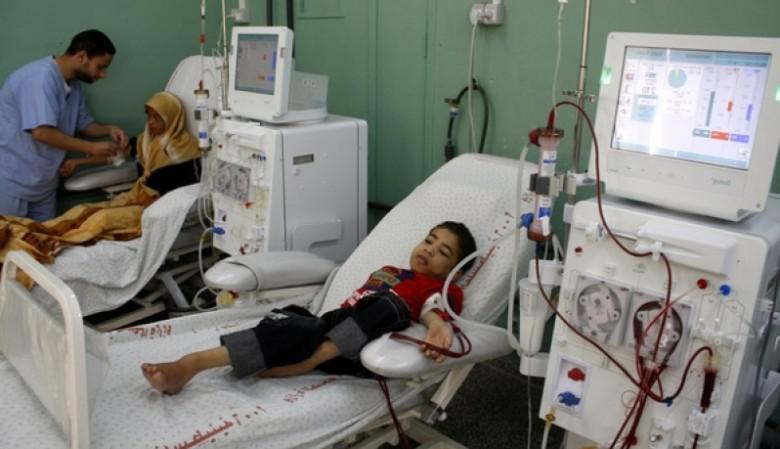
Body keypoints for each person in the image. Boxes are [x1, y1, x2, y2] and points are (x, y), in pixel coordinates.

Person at [141, 221, 478, 395]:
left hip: (365, 350)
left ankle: (308, 360)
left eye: (443, 252)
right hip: (335, 325)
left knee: (390, 305)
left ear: (455, 272)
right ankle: (195, 363)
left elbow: (434, 307)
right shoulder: (391, 270)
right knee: (290, 319)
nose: (430, 249)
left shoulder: (441, 288)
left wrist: (438, 324)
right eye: (430, 240)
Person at [0, 91, 201, 266]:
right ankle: (30, 234)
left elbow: (184, 190)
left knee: (102, 218)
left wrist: (153, 205)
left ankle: (53, 243)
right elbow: (116, 157)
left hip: (156, 209)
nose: (150, 123)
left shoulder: (187, 151)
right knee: (82, 210)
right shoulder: (145, 141)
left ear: (171, 118)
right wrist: (78, 162)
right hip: (134, 198)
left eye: (156, 118)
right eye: (148, 116)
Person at [0, 29, 128, 221]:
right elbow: (41, 132)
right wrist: (91, 148)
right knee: (10, 239)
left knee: (47, 237)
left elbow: (85, 125)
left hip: (45, 185)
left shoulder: (74, 86)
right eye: (100, 67)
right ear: (82, 57)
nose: (103, 75)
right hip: (12, 183)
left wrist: (109, 129)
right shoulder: (39, 79)